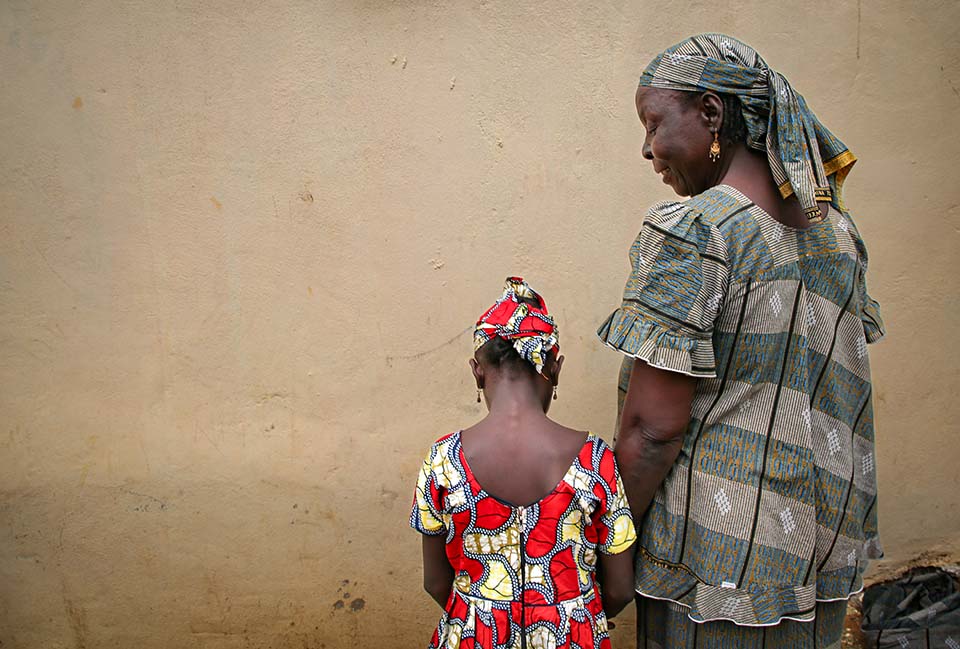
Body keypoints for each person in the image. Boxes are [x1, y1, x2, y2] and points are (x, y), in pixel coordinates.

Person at [596, 34, 885, 648]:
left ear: (710, 113)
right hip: (824, 542)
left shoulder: (697, 232)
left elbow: (652, 431)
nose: (647, 149)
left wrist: (610, 547)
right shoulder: (838, 234)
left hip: (718, 562)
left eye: (653, 124)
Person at [411, 277, 637, 649]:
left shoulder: (443, 460)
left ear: (477, 371)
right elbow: (620, 588)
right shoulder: (597, 462)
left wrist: (480, 612)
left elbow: (435, 582)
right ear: (555, 368)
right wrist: (577, 616)